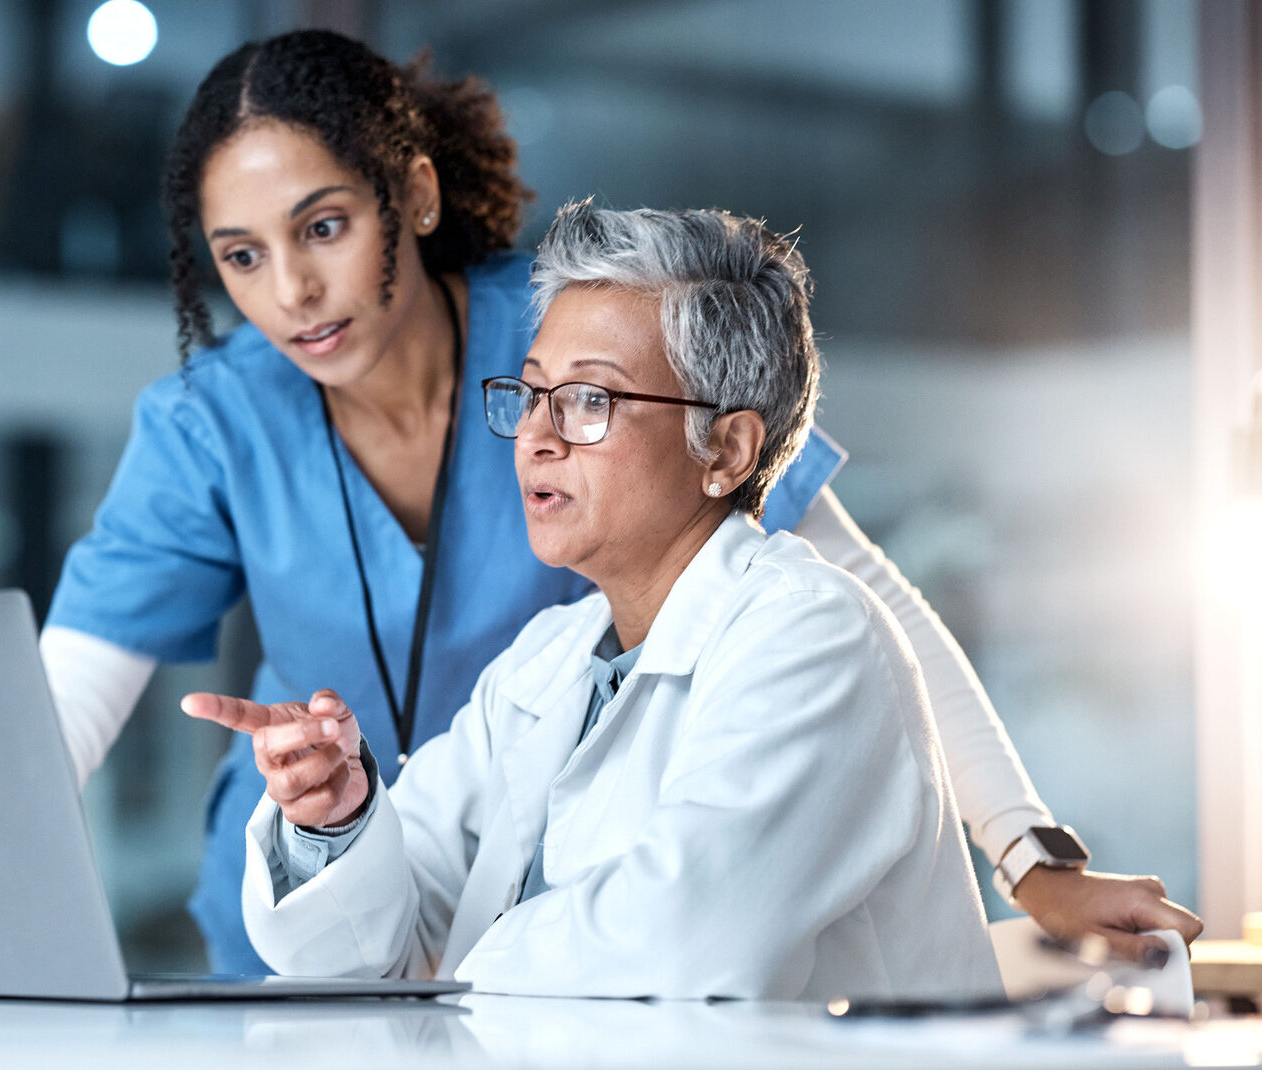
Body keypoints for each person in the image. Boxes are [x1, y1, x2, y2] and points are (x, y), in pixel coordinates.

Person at [41, 29, 1201, 974]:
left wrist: (1027, 852)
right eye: (239, 256)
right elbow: (57, 720)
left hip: (553, 938)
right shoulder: (221, 423)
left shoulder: (578, 335)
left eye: (324, 228)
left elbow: (866, 600)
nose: (290, 291)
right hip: (382, 907)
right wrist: (332, 818)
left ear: (415, 196)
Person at [183, 203, 1002, 999]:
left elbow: (685, 940)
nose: (537, 435)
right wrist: (338, 822)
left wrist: (452, 973)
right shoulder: (552, 656)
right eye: (533, 393)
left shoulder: (813, 636)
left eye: (589, 401)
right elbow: (380, 938)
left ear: (726, 448)